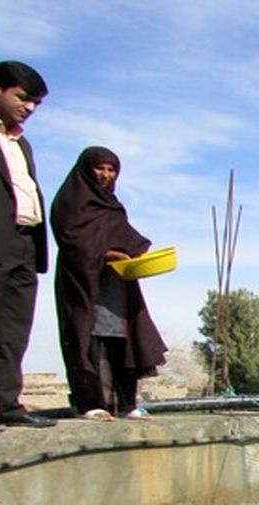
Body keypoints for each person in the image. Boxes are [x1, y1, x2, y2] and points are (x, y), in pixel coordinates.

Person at [51, 146, 167, 420]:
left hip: (116, 285)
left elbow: (125, 236)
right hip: (84, 284)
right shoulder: (71, 201)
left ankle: (125, 403)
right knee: (87, 339)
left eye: (111, 169)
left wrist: (139, 252)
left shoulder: (112, 206)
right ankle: (90, 403)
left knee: (122, 338)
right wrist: (104, 254)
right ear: (86, 169)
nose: (105, 175)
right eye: (99, 168)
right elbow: (71, 240)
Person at [0, 61, 54, 433]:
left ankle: (6, 404)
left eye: (36, 103)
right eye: (23, 98)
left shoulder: (21, 142)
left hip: (24, 243)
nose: (30, 108)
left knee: (13, 330)